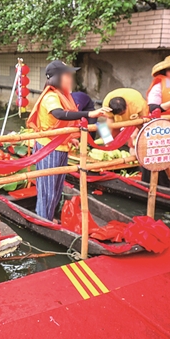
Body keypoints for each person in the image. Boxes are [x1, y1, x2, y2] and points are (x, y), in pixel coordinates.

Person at [26, 61, 110, 220]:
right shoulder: (51, 96)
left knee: (56, 189)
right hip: (48, 148)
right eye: (67, 75)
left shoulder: (64, 96)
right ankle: (44, 220)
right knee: (47, 190)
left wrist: (70, 138)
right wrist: (88, 114)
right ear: (57, 77)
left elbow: (63, 123)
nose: (70, 78)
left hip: (60, 147)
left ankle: (47, 217)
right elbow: (59, 114)